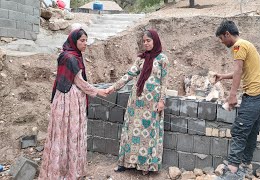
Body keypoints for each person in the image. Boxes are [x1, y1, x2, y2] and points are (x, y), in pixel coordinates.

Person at [39, 29, 107, 179]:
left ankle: (64, 169)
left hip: (65, 99)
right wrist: (98, 91)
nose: (85, 44)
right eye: (82, 40)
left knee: (66, 134)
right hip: (69, 102)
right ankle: (66, 172)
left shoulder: (70, 55)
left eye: (86, 41)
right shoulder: (70, 58)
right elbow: (80, 82)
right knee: (69, 133)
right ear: (74, 40)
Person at [214, 20, 260, 179]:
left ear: (227, 34)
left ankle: (232, 171)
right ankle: (245, 166)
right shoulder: (245, 44)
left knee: (239, 130)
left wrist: (232, 95)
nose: (221, 42)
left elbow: (238, 70)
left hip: (255, 95)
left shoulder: (238, 46)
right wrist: (222, 77)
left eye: (221, 38)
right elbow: (240, 71)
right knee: (251, 130)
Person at [106, 29, 169, 175]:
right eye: (144, 41)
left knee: (148, 134)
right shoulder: (140, 59)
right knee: (132, 132)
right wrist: (113, 88)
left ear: (155, 41)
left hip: (152, 104)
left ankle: (145, 166)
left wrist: (161, 101)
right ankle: (126, 162)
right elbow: (129, 75)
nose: (146, 43)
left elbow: (164, 83)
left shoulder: (162, 59)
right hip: (136, 102)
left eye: (148, 41)